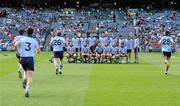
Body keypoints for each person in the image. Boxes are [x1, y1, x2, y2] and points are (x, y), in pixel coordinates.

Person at [14, 28, 41, 97]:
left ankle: (24, 80)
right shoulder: (34, 40)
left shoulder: (22, 39)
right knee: (30, 76)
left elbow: (15, 44)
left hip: (22, 59)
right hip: (30, 59)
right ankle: (27, 91)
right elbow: (39, 52)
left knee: (25, 72)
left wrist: (17, 53)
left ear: (26, 32)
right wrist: (36, 51)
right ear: (32, 33)